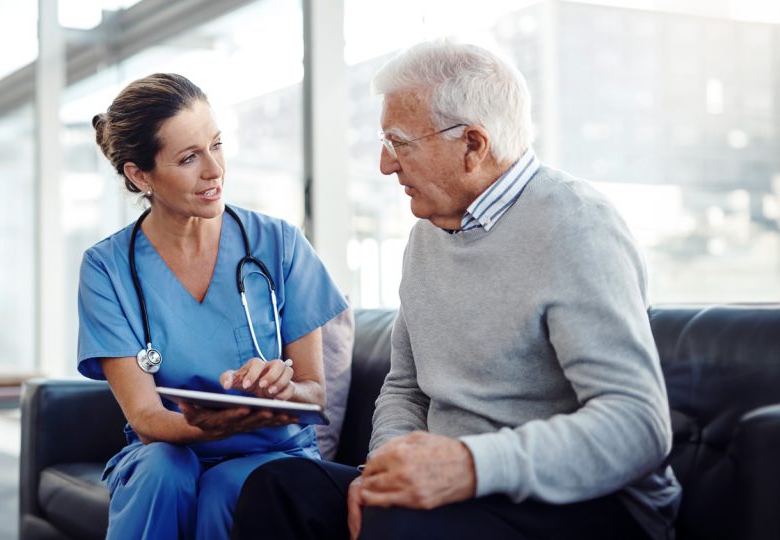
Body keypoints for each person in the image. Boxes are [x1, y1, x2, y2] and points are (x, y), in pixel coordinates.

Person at [231, 40, 681, 540]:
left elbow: (637, 425)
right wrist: (383, 471)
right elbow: (406, 387)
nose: (386, 165)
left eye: (399, 143)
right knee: (278, 486)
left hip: (587, 504)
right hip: (455, 495)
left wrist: (469, 465)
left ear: (473, 144)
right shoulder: (428, 234)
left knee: (401, 523)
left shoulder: (576, 225)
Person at [78, 73, 347, 539]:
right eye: (188, 158)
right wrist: (215, 427)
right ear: (140, 175)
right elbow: (145, 418)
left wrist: (280, 394)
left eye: (217, 145)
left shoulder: (279, 244)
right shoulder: (106, 268)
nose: (214, 170)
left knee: (231, 487)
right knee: (163, 470)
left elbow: (314, 394)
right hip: (169, 447)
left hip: (273, 452)